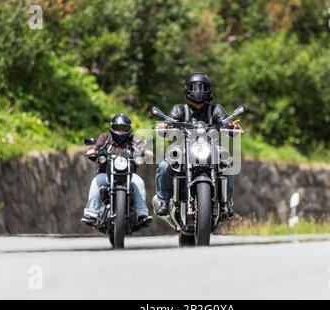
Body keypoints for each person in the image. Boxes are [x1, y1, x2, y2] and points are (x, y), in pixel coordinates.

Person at [155, 71, 241, 217]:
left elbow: (226, 124)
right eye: (194, 87)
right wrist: (163, 127)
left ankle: (227, 202)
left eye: (202, 87)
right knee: (164, 166)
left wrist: (232, 127)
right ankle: (163, 201)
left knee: (226, 164)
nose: (198, 91)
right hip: (183, 148)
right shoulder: (179, 109)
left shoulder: (216, 109)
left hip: (211, 148)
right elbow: (168, 125)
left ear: (208, 90)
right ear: (188, 90)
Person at [82, 113, 153, 225]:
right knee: (96, 182)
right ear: (112, 128)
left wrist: (146, 152)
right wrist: (92, 150)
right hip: (106, 175)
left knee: (139, 182)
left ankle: (142, 214)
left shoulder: (133, 140)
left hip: (129, 176)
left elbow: (142, 148)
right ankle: (91, 214)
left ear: (129, 129)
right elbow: (96, 146)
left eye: (123, 128)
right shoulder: (105, 139)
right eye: (117, 128)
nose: (120, 132)